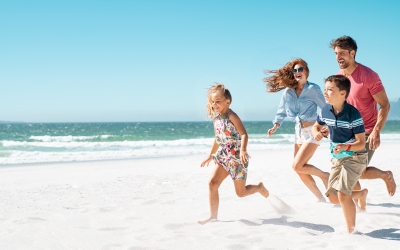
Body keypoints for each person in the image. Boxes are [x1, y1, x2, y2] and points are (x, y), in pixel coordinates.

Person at [330, 36, 396, 196]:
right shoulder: (339, 77)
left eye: (342, 53)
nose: (338, 57)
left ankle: (385, 176)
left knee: (355, 171)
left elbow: (385, 105)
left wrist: (376, 131)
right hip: (346, 132)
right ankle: (361, 198)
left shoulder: (368, 75)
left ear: (352, 53)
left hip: (366, 131)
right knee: (353, 170)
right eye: (336, 53)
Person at [198, 83, 269, 225]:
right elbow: (218, 139)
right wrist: (210, 155)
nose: (214, 104)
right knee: (212, 183)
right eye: (212, 102)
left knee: (241, 193)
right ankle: (213, 216)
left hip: (237, 158)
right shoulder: (216, 120)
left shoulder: (232, 116)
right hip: (224, 156)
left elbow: (244, 134)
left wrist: (243, 150)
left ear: (227, 102)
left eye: (217, 101)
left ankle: (259, 188)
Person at [264, 58, 329, 202]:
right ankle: (320, 198)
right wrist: (276, 125)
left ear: (306, 71)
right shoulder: (288, 92)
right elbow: (281, 110)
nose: (298, 72)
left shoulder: (313, 89)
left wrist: (326, 125)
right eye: (295, 70)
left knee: (297, 164)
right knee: (298, 169)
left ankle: (325, 176)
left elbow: (326, 107)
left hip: (313, 131)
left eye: (301, 69)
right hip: (298, 133)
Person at [312, 75, 369, 233]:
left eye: (330, 90)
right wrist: (316, 132)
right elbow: (316, 126)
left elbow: (361, 142)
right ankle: (361, 194)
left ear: (343, 93)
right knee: (333, 197)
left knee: (343, 195)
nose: (326, 93)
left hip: (354, 156)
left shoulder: (353, 114)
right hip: (336, 157)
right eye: (325, 89)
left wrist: (345, 146)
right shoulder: (325, 110)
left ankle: (352, 231)